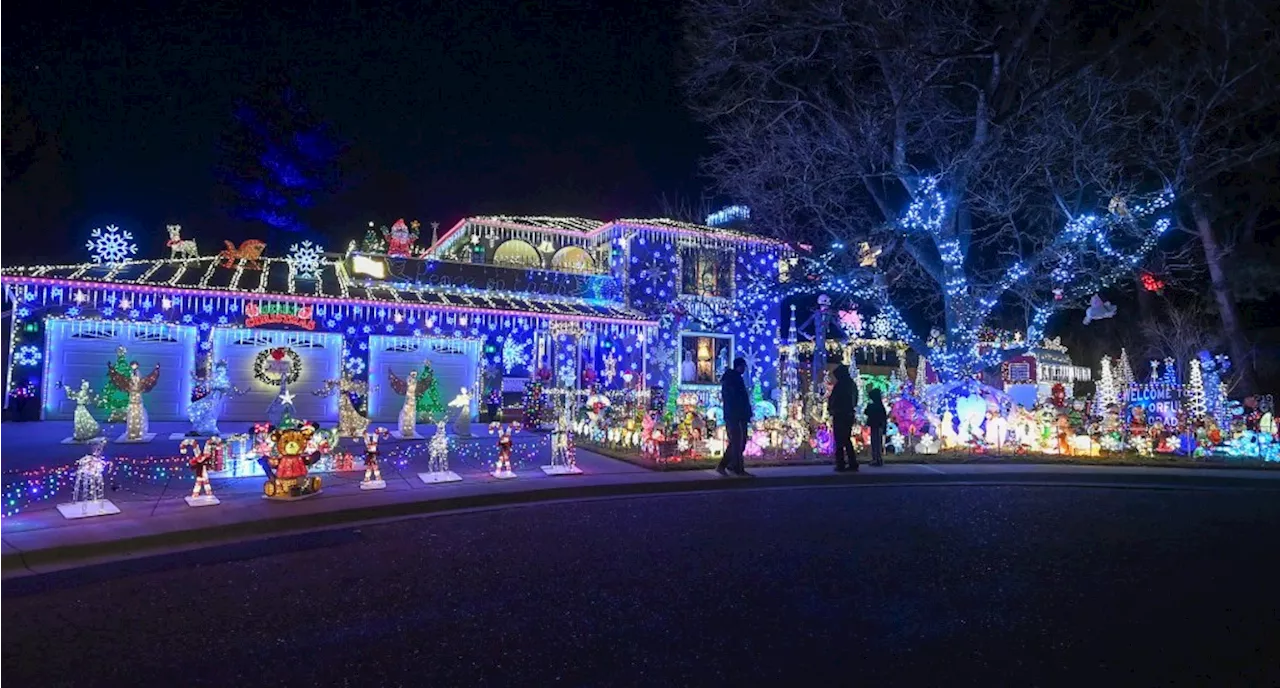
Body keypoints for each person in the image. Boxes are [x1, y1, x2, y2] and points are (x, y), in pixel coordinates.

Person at [717, 357, 753, 477]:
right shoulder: (732, 380)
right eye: (743, 366)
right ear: (739, 366)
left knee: (738, 442)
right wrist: (742, 411)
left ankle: (727, 465)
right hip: (735, 416)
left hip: (738, 415)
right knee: (737, 442)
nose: (744, 369)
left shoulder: (735, 379)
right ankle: (737, 468)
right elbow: (736, 398)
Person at [827, 364, 859, 472]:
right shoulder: (851, 384)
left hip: (840, 414)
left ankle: (841, 463)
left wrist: (832, 408)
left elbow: (835, 399)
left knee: (840, 440)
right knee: (846, 439)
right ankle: (852, 462)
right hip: (848, 414)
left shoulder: (841, 385)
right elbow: (855, 399)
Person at [865, 387, 888, 467]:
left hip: (876, 426)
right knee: (877, 442)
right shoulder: (880, 406)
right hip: (878, 426)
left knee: (876, 443)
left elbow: (866, 412)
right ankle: (877, 458)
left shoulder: (873, 406)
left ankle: (877, 459)